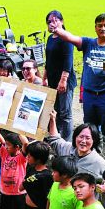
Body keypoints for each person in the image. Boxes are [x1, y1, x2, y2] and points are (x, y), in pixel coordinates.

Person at [51, 13, 105, 164]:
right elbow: (71, 38)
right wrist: (58, 29)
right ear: (95, 27)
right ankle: (95, 157)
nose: (103, 28)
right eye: (100, 25)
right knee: (91, 127)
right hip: (90, 94)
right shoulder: (88, 43)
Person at [45, 111, 105, 182]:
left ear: (94, 141)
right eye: (81, 137)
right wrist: (52, 119)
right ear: (75, 137)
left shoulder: (100, 163)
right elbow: (55, 139)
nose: (83, 141)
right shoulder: (67, 148)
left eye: (87, 138)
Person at [45, 10, 76, 139]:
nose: (52, 23)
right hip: (52, 81)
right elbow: (48, 59)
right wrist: (44, 77)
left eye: (55, 20)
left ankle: (67, 144)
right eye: (49, 21)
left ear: (61, 21)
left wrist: (63, 80)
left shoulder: (66, 38)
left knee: (65, 113)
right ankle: (56, 139)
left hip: (65, 82)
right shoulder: (50, 38)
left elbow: (68, 60)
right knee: (55, 111)